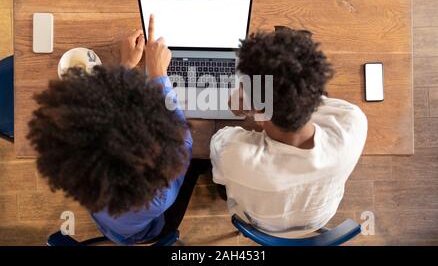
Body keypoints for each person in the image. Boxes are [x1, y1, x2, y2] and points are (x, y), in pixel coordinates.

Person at [28, 14, 206, 245]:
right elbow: (183, 141)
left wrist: (126, 68)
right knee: (202, 160)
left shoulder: (75, 163)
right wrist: (158, 72)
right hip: (148, 231)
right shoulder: (159, 196)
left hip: (110, 221)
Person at [210, 28, 368, 237]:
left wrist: (249, 105)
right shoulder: (353, 123)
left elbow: (221, 139)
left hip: (256, 222)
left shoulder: (234, 154)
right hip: (317, 218)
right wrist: (257, 104)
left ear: (260, 113)